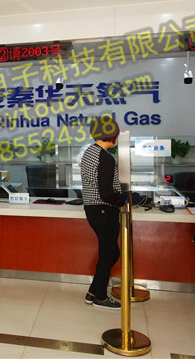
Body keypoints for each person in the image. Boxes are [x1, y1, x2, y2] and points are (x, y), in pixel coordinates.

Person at [80, 117, 127, 310]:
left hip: (92, 209)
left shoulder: (88, 152)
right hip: (104, 210)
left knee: (112, 253)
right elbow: (106, 193)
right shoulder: (105, 158)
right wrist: (123, 200)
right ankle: (100, 297)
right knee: (108, 254)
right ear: (112, 135)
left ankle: (93, 291)